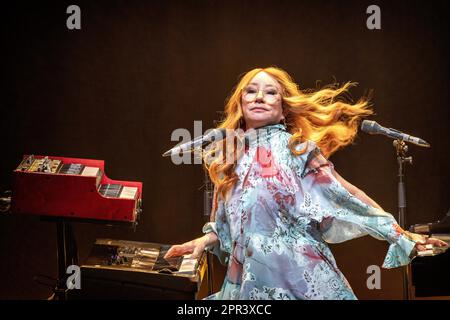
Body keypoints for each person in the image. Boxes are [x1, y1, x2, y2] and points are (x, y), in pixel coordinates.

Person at [164, 67, 447, 300]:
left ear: (284, 109)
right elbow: (227, 226)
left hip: (300, 281)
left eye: (270, 92)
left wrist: (397, 233)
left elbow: (347, 195)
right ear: (240, 103)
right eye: (251, 91)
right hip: (248, 288)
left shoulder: (297, 150)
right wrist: (203, 240)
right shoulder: (229, 159)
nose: (259, 96)